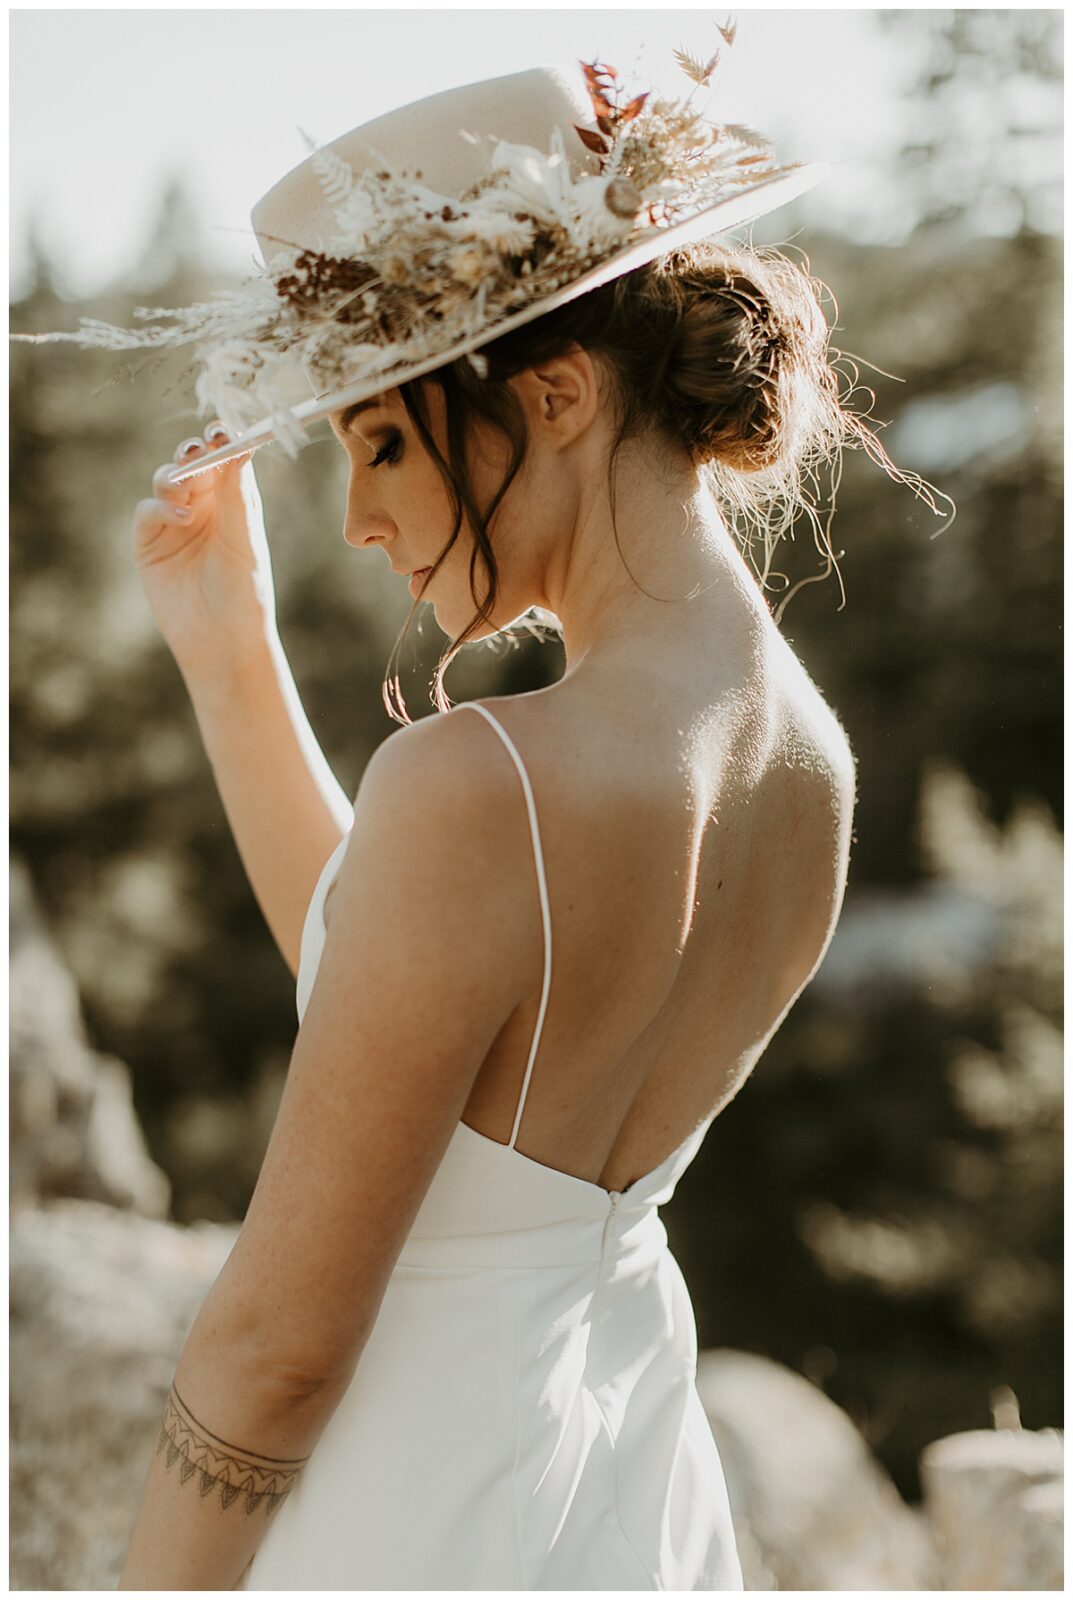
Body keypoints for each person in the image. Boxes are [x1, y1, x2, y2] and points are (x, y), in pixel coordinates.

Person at [20, 48, 937, 1592]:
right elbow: (399, 984)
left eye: (382, 442)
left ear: (558, 393)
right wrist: (230, 645)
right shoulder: (808, 768)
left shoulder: (484, 782)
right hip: (622, 1494)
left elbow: (275, 1349)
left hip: (416, 1506)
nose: (362, 517)